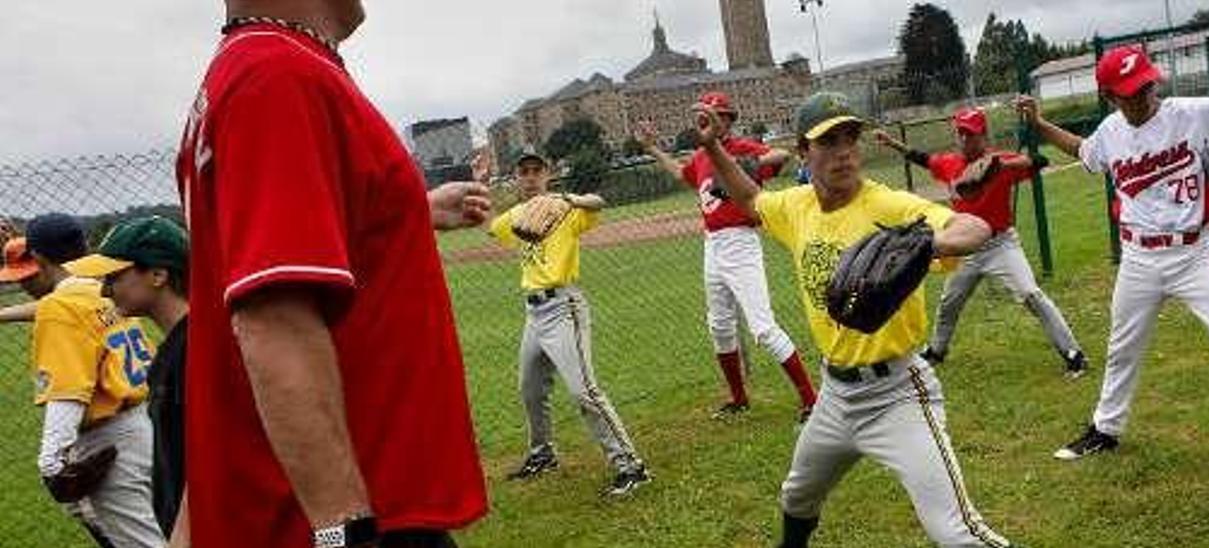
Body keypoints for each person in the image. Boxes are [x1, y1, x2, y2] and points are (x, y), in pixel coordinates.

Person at [174, 1, 493, 545]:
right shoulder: (279, 75)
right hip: (350, 507)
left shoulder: (256, 65)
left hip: (332, 500)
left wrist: (412, 207)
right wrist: (341, 533)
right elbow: (273, 321)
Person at [703, 91, 1012, 547]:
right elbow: (750, 199)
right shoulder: (796, 206)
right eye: (828, 140)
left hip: (897, 395)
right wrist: (713, 148)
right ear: (803, 152)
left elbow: (973, 228)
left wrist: (924, 246)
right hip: (834, 397)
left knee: (956, 532)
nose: (844, 150)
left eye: (850, 136)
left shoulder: (888, 208)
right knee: (797, 496)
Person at [1016, 45, 1209, 460]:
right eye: (1130, 92)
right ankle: (1105, 428)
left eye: (1146, 87)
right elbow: (1085, 152)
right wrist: (1039, 124)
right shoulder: (1109, 132)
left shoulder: (1195, 113)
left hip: (1195, 255)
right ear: (1110, 97)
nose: (1142, 97)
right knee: (1123, 348)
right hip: (1138, 258)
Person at [638, 91, 817, 422]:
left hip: (740, 240)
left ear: (729, 120)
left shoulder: (739, 149)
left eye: (716, 115)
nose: (707, 120)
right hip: (712, 244)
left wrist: (744, 164)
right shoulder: (703, 154)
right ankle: (738, 397)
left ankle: (811, 399)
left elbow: (781, 155)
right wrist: (652, 148)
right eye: (703, 116)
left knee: (762, 328)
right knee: (719, 326)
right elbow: (682, 174)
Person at [874, 108, 1088, 378]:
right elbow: (923, 159)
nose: (965, 140)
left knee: (1031, 294)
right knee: (949, 301)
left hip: (1000, 245)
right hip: (967, 249)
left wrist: (1004, 165)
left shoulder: (998, 161)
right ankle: (937, 350)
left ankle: (1073, 354)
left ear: (983, 136)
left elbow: (1039, 161)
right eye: (961, 133)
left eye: (971, 134)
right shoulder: (950, 164)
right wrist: (893, 143)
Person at [487, 150, 651, 496]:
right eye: (524, 171)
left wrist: (565, 197)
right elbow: (491, 226)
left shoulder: (566, 210)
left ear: (547, 174)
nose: (530, 176)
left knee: (585, 392)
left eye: (536, 170)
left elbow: (598, 201)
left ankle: (631, 465)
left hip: (563, 307)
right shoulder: (517, 214)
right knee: (530, 389)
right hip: (533, 313)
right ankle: (543, 454)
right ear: (517, 178)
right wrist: (480, 182)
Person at [0, 214, 165, 547]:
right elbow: (53, 306)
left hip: (108, 440)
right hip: (147, 424)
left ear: (41, 261)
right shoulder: (103, 289)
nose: (21, 284)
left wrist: (51, 461)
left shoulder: (60, 307)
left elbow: (68, 391)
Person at [64, 215, 190, 538]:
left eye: (114, 277)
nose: (105, 291)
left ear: (158, 275)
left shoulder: (194, 353)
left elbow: (208, 466)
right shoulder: (176, 347)